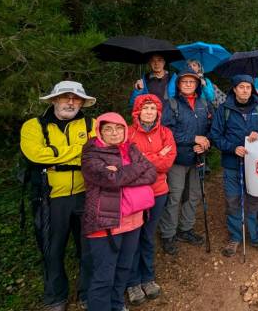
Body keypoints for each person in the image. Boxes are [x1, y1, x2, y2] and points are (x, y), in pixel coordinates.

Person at [20, 81, 97, 311]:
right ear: (54, 100)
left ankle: (87, 292)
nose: (71, 102)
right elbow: (35, 155)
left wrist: (53, 154)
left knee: (89, 247)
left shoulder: (92, 124)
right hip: (50, 197)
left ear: (82, 102)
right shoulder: (33, 126)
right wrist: (78, 151)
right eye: (65, 97)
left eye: (76, 98)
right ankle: (55, 297)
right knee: (52, 249)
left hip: (87, 194)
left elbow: (96, 153)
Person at [81, 113, 157, 311]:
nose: (114, 133)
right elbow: (110, 179)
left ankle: (117, 304)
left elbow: (151, 173)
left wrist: (121, 173)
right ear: (99, 131)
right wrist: (131, 170)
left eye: (119, 128)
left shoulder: (130, 148)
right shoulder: (91, 152)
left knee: (124, 268)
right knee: (104, 274)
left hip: (134, 219)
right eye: (108, 129)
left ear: (125, 129)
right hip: (105, 222)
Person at [209, 75, 258, 256]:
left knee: (254, 199)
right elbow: (215, 136)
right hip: (232, 164)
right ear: (234, 89)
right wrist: (232, 148)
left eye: (248, 87)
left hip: (254, 165)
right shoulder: (224, 109)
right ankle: (235, 237)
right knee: (233, 201)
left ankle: (257, 237)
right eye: (241, 87)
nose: (245, 90)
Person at [125, 95, 177, 305]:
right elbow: (128, 164)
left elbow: (167, 162)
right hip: (134, 193)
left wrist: (144, 159)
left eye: (152, 108)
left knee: (147, 235)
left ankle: (148, 277)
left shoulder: (166, 133)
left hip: (158, 191)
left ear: (158, 112)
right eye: (145, 108)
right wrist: (155, 156)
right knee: (132, 238)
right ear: (137, 111)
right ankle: (132, 282)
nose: (149, 112)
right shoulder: (127, 133)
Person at [158, 67, 212, 255]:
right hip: (177, 159)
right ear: (179, 84)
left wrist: (205, 143)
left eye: (192, 81)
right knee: (175, 196)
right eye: (185, 81)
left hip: (198, 157)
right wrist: (193, 139)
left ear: (197, 84)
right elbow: (167, 131)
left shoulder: (204, 104)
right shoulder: (171, 104)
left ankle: (185, 229)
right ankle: (168, 234)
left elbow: (211, 129)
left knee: (194, 195)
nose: (189, 84)